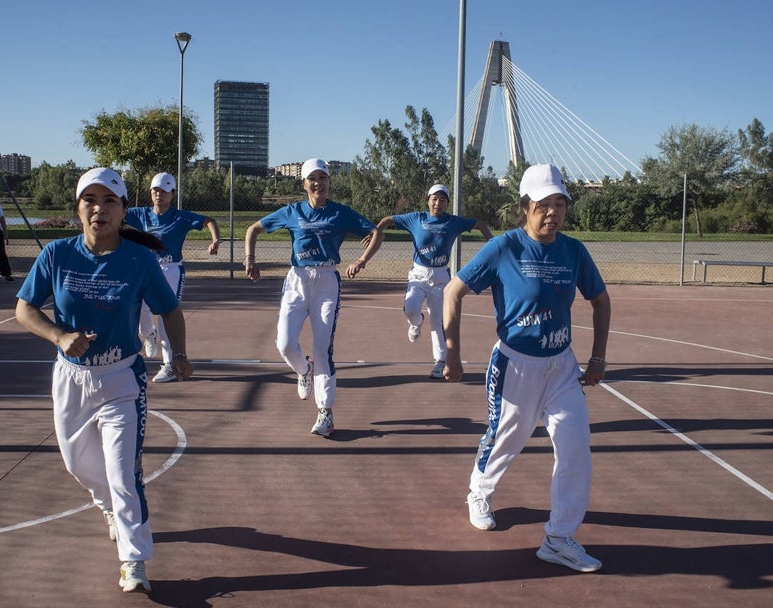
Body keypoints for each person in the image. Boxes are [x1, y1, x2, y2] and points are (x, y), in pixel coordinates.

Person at [14, 168, 194, 594]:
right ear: (78, 209)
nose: (99, 208)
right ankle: (108, 507)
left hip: (122, 381)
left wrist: (181, 355)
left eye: (109, 200)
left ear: (123, 210)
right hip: (71, 379)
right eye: (90, 200)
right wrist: (59, 335)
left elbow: (170, 309)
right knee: (78, 464)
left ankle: (134, 562)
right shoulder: (57, 255)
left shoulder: (140, 260)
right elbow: (24, 308)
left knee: (123, 474)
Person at [442, 163, 610, 573]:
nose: (553, 212)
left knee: (575, 450)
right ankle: (479, 492)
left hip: (561, 369)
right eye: (543, 204)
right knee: (505, 441)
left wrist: (599, 356)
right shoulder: (504, 247)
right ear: (525, 206)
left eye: (560, 203)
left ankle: (558, 538)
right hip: (515, 366)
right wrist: (452, 352)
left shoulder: (573, 250)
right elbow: (453, 290)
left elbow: (601, 301)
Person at [244, 158, 383, 437]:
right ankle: (303, 370)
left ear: (329, 181)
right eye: (312, 178)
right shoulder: (292, 211)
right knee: (284, 343)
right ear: (304, 183)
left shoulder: (340, 213)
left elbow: (375, 231)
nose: (318, 183)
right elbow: (253, 230)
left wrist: (362, 260)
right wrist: (250, 259)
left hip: (327, 282)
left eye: (323, 177)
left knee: (322, 350)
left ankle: (325, 412)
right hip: (297, 281)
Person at [365, 183, 492, 379]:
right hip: (418, 275)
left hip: (441, 278)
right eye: (434, 199)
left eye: (442, 200)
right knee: (411, 308)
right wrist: (375, 232)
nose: (438, 203)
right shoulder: (416, 218)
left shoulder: (453, 222)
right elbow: (389, 220)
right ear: (428, 200)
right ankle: (416, 323)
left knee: (438, 321)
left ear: (447, 203)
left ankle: (440, 362)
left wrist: (493, 245)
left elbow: (480, 224)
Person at [125, 172, 221, 383]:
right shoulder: (141, 214)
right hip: (147, 269)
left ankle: (169, 365)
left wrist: (215, 240)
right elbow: (117, 213)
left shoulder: (180, 217)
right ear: (150, 193)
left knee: (167, 315)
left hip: (171, 271)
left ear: (172, 194)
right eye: (155, 191)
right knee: (138, 307)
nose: (159, 195)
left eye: (164, 191)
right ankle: (148, 333)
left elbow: (208, 221)